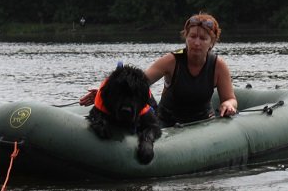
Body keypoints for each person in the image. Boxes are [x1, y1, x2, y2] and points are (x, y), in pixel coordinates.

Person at [80, 12, 238, 126]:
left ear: (212, 42)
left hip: (203, 122)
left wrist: (229, 105)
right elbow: (139, 83)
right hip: (168, 122)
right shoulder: (172, 60)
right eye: (192, 36)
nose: (196, 42)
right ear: (186, 37)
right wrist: (106, 91)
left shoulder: (219, 66)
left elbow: (230, 98)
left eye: (203, 38)